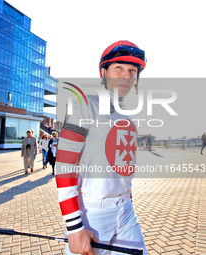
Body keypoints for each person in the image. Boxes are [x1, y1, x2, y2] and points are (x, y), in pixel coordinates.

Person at [55, 40, 148, 255]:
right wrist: (75, 228)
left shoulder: (128, 115)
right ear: (104, 72)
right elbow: (64, 166)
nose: (127, 75)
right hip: (92, 215)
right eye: (119, 68)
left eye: (132, 70)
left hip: (126, 212)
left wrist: (127, 198)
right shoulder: (86, 104)